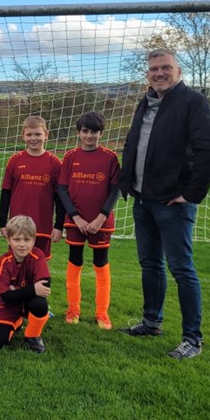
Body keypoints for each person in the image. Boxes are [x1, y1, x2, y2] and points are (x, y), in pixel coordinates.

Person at [118, 51, 210, 359]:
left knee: (181, 268)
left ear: (178, 71)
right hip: (143, 199)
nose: (159, 73)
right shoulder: (146, 101)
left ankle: (192, 339)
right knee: (150, 264)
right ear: (147, 74)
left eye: (166, 67)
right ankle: (152, 323)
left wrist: (190, 194)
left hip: (172, 202)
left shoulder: (193, 102)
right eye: (154, 69)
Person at [57, 112, 120, 329]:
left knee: (100, 264)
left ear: (101, 133)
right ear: (79, 132)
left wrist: (101, 217)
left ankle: (102, 313)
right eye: (85, 131)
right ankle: (73, 309)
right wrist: (76, 217)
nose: (89, 135)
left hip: (101, 222)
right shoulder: (70, 157)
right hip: (76, 222)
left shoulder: (110, 158)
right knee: (75, 262)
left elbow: (115, 189)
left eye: (94, 131)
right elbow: (62, 189)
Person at [0, 114, 64, 259]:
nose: (33, 138)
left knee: (40, 264)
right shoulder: (14, 160)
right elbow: (6, 193)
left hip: (42, 226)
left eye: (38, 134)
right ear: (23, 136)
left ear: (46, 135)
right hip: (17, 225)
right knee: (17, 263)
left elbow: (60, 198)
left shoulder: (55, 163)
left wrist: (59, 226)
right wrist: (3, 223)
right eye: (29, 134)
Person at [0, 216, 52, 353]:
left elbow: (45, 286)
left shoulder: (38, 255)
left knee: (40, 304)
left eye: (27, 240)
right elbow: (6, 297)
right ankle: (17, 321)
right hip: (7, 305)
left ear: (33, 240)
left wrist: (23, 292)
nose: (22, 244)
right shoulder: (3, 261)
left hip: (28, 302)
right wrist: (33, 289)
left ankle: (32, 336)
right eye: (17, 239)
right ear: (8, 240)